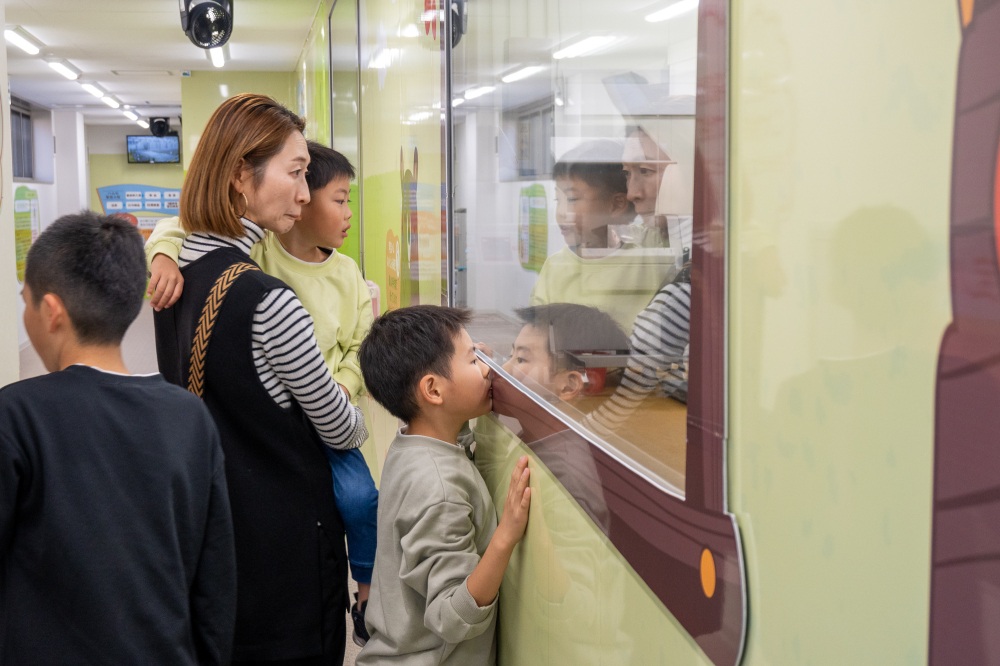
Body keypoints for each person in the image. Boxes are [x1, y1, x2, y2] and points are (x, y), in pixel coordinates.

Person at [152, 93, 367, 665]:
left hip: (213, 534)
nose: (305, 193)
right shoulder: (270, 300)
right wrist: (354, 406)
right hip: (285, 555)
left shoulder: (175, 279)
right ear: (239, 176)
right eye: (295, 173)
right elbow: (341, 429)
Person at [0, 211, 236, 664]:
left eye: (26, 301)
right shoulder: (189, 418)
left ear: (51, 312)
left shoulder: (17, 415)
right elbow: (215, 583)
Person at [355, 305, 532, 666]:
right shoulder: (439, 488)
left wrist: (468, 371)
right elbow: (451, 616)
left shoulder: (411, 444)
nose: (487, 369)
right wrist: (505, 537)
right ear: (433, 390)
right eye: (473, 360)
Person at [497, 303, 629, 534]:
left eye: (521, 359)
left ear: (568, 386)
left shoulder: (564, 480)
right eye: (510, 355)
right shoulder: (536, 436)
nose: (503, 370)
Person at [530, 139, 676, 334]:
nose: (561, 213)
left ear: (616, 204)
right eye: (558, 200)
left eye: (572, 199)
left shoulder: (650, 256)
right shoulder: (555, 266)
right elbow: (536, 333)